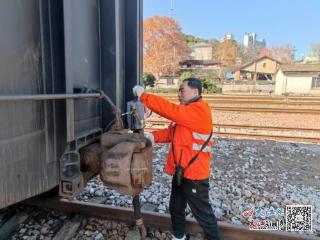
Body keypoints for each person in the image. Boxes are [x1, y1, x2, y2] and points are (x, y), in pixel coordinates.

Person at [133, 78, 220, 240]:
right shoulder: (186, 112)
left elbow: (170, 110)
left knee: (203, 215)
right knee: (176, 207)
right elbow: (171, 133)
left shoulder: (199, 110)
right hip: (181, 171)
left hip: (194, 175)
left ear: (195, 92)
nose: (179, 94)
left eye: (182, 90)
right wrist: (153, 136)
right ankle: (179, 236)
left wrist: (144, 96)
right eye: (178, 90)